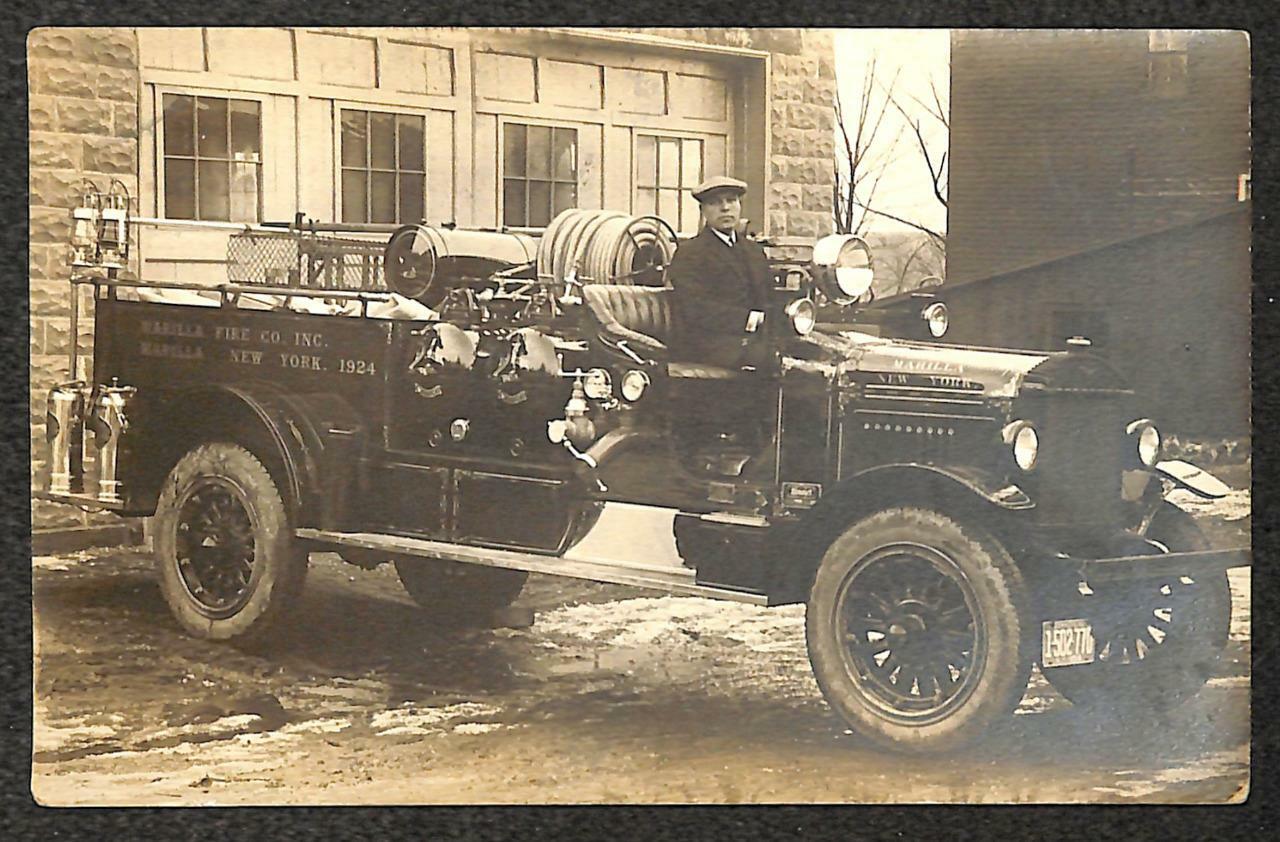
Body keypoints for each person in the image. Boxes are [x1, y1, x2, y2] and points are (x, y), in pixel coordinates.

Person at [666, 176, 774, 370]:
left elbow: (768, 297)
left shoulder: (753, 251)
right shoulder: (690, 253)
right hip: (708, 344)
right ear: (703, 211)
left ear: (739, 206)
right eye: (715, 203)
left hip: (753, 340)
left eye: (731, 201)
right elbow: (695, 309)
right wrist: (749, 319)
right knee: (772, 361)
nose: (725, 208)